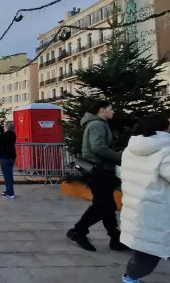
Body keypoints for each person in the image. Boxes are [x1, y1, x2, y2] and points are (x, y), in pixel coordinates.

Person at [119, 114, 170, 283]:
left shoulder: (131, 148)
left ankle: (130, 277)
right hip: (162, 212)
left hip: (140, 209)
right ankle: (130, 278)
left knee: (147, 249)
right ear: (165, 128)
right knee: (154, 251)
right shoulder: (168, 149)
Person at [67, 100, 128, 252]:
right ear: (102, 110)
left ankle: (115, 238)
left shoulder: (98, 124)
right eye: (111, 108)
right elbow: (98, 147)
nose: (113, 111)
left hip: (101, 170)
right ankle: (78, 231)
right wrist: (120, 157)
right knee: (102, 205)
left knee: (107, 205)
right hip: (99, 170)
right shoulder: (97, 125)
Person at [0, 121, 17, 199]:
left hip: (4, 157)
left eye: (4, 126)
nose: (3, 126)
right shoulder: (13, 135)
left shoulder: (4, 135)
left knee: (7, 176)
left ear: (6, 127)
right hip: (11, 157)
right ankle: (9, 190)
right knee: (9, 174)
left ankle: (10, 193)